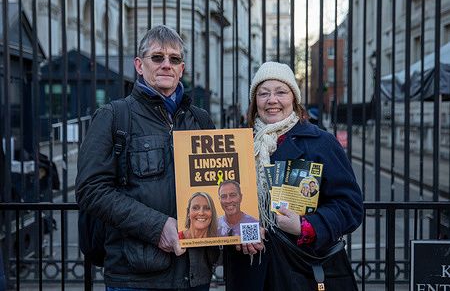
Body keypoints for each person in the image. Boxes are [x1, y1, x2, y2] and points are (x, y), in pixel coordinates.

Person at [75, 25, 219, 291]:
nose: (166, 64)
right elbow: (90, 190)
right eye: (158, 57)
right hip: (136, 277)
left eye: (174, 59)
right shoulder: (113, 117)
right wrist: (158, 226)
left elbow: (217, 186)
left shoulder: (200, 120)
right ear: (139, 65)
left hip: (195, 275)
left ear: (182, 68)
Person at [230, 61, 363, 290]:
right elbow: (226, 203)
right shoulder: (237, 146)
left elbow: (350, 207)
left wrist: (306, 226)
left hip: (300, 270)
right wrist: (240, 229)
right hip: (250, 272)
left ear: (294, 99)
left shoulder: (321, 143)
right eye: (263, 93)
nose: (272, 100)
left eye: (281, 92)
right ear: (255, 102)